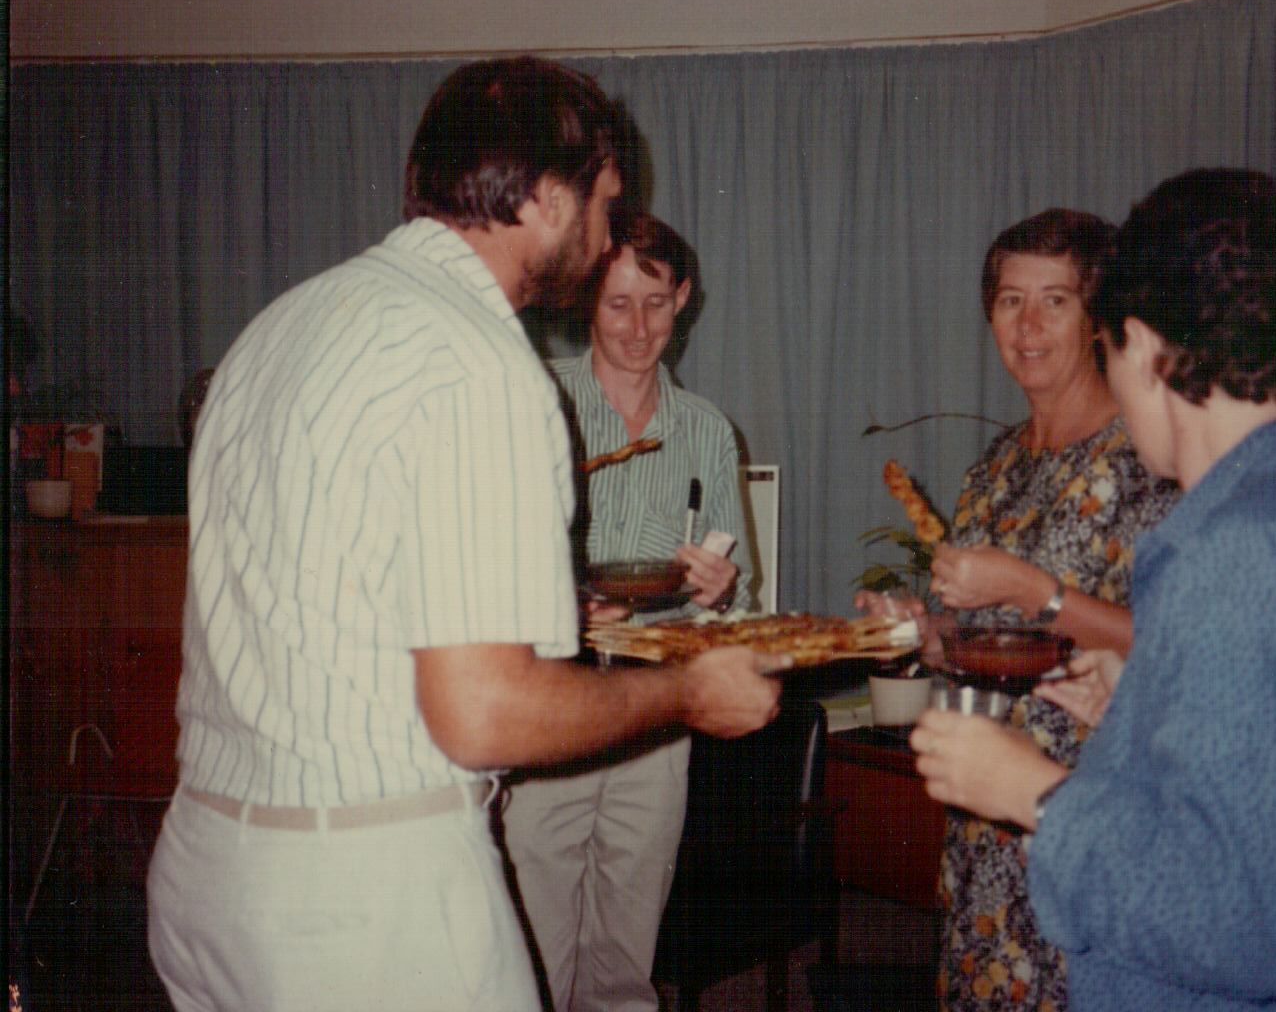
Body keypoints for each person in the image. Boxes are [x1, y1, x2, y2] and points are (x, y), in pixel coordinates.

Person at [145, 57, 784, 1012]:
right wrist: (687, 690)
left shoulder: (279, 326)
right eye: (606, 204)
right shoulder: (478, 364)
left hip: (207, 870)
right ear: (544, 200)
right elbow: (485, 713)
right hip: (368, 900)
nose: (610, 235)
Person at [910, 168, 1276, 1010]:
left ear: (1139, 344)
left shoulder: (1247, 559)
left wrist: (1035, 793)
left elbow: (1260, 919)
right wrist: (1141, 703)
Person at [861, 208, 1176, 1011]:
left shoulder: (1148, 463)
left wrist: (1037, 591)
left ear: (1097, 318)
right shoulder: (994, 468)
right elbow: (983, 643)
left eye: (1055, 301)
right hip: (981, 819)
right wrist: (921, 631)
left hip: (1086, 814)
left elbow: (1181, 651)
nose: (1028, 325)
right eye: (1009, 301)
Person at [501, 210, 752, 1012]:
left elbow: (735, 591)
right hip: (557, 697)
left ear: (681, 299)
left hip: (654, 706)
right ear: (586, 306)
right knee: (535, 933)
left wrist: (721, 590)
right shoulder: (539, 406)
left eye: (654, 302)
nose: (638, 327)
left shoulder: (708, 431)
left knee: (625, 948)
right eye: (617, 304)